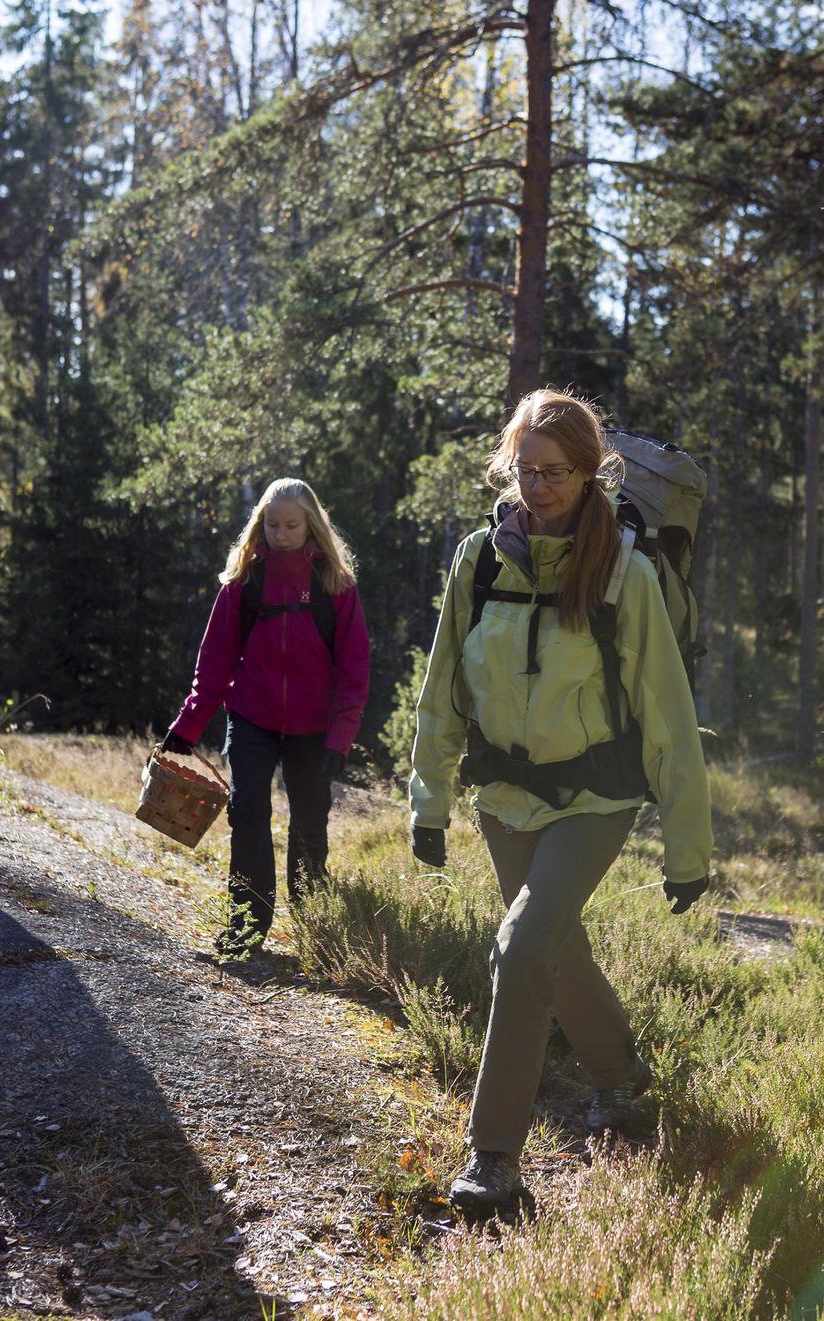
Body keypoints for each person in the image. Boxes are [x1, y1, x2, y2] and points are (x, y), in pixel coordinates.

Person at [408, 389, 711, 1213]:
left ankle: (494, 1158)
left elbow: (668, 717)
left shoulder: (623, 572)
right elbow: (443, 693)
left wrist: (688, 851)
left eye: (555, 473)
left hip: (595, 796)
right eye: (524, 469)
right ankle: (622, 1077)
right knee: (552, 948)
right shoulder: (480, 560)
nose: (536, 486)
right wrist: (427, 801)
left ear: (590, 475)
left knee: (522, 940)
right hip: (503, 794)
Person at [163, 477, 370, 951]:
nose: (281, 533)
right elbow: (214, 661)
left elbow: (355, 671)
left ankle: (313, 923)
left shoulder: (334, 585)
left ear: (311, 525)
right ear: (261, 524)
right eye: (272, 525)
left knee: (310, 819)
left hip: (314, 727)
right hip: (252, 716)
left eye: (291, 525)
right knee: (248, 811)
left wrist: (340, 739)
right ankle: (246, 924)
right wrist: (188, 724)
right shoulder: (244, 582)